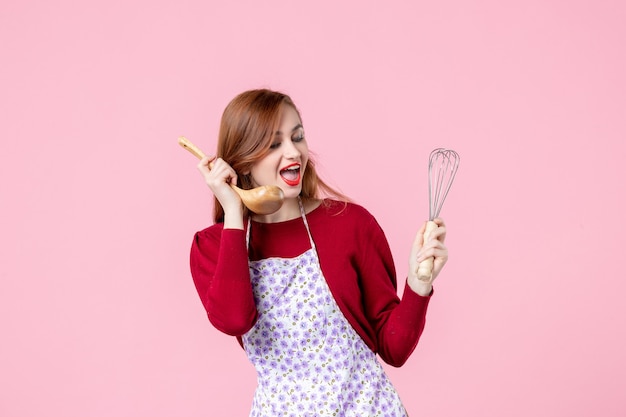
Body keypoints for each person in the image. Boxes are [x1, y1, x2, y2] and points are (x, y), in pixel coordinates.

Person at [189, 89, 449, 416]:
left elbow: (393, 349)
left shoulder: (350, 224)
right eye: (274, 144)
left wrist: (419, 282)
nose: (293, 152)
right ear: (243, 159)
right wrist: (232, 212)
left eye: (297, 137)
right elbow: (234, 319)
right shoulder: (215, 245)